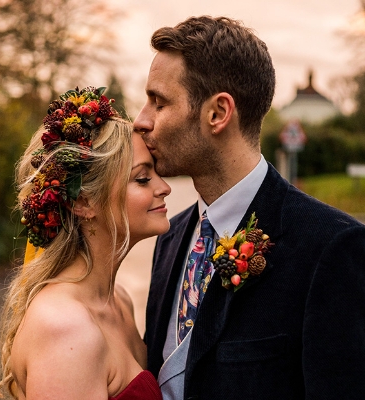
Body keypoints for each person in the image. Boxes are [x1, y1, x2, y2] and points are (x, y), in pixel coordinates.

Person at [133, 16, 365, 400]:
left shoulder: (331, 248)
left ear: (218, 113)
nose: (141, 121)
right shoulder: (169, 237)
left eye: (159, 102)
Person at [0, 86, 169, 399]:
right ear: (84, 202)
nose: (165, 188)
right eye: (142, 178)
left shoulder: (119, 301)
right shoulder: (65, 328)